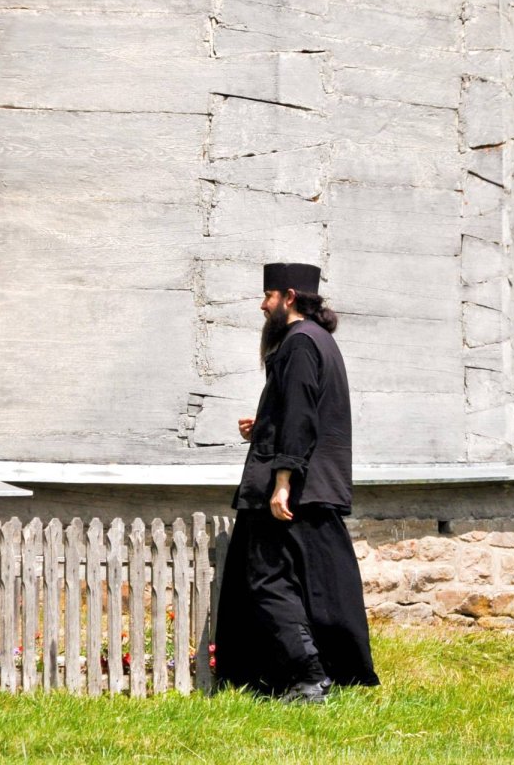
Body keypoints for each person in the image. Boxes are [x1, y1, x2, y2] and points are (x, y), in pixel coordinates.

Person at [214, 262, 380, 703]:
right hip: (313, 484)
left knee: (267, 580)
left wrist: (282, 480)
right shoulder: (319, 341)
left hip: (295, 488)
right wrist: (264, 423)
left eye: (267, 296)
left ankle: (308, 677)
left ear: (288, 297)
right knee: (306, 584)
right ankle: (309, 675)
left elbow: (304, 416)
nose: (262, 305)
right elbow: (297, 410)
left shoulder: (300, 342)